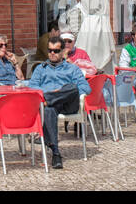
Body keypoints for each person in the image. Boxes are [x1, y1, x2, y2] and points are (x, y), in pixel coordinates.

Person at [22, 37, 90, 169]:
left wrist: (59, 92)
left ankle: (49, 98)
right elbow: (32, 87)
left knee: (72, 87)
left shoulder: (72, 69)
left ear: (63, 51)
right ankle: (56, 153)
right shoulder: (40, 69)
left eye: (56, 50)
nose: (52, 53)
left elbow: (86, 88)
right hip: (50, 106)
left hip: (68, 104)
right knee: (48, 109)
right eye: (50, 50)